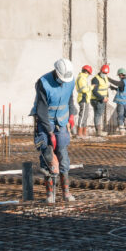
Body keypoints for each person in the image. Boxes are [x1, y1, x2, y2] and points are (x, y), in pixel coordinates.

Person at [30, 58, 78, 203]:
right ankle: (50, 194)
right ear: (56, 73)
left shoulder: (70, 80)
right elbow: (41, 110)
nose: (64, 82)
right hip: (45, 122)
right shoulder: (43, 83)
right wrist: (50, 132)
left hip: (62, 123)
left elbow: (70, 98)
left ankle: (66, 193)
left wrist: (71, 114)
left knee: (63, 155)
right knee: (48, 156)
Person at [110, 67, 126, 134]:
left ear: (120, 74)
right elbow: (122, 89)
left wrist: (108, 79)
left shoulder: (122, 82)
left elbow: (117, 83)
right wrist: (114, 88)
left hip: (121, 102)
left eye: (119, 75)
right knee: (125, 115)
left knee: (120, 115)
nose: (119, 77)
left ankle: (121, 130)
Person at [91, 63, 112, 137]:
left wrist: (107, 96)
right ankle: (98, 131)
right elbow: (94, 91)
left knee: (98, 114)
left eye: (106, 73)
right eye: (104, 73)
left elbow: (105, 88)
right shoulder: (95, 79)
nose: (105, 74)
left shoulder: (105, 77)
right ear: (101, 71)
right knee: (98, 114)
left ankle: (99, 131)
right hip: (97, 100)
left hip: (102, 99)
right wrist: (103, 98)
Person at [74, 64, 93, 138]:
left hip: (86, 99)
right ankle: (79, 133)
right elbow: (84, 89)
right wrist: (91, 87)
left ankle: (84, 132)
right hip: (83, 98)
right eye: (89, 73)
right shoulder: (81, 78)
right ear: (86, 72)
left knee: (85, 116)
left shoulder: (83, 78)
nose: (89, 75)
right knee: (82, 116)